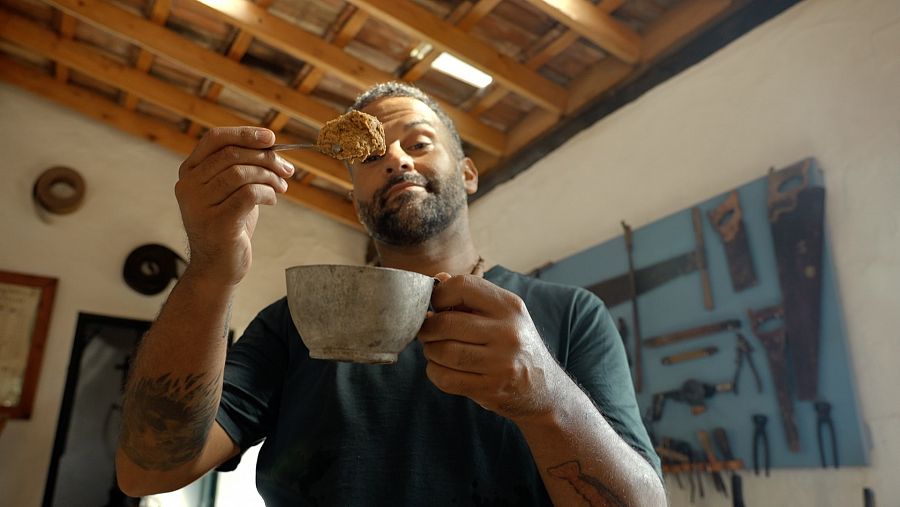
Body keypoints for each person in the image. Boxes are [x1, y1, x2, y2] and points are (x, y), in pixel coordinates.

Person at [115, 82, 666, 506]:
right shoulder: (295, 322)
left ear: (469, 173)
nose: (396, 159)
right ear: (354, 195)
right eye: (371, 158)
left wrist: (549, 401)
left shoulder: (569, 315)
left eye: (419, 144)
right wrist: (212, 265)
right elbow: (148, 468)